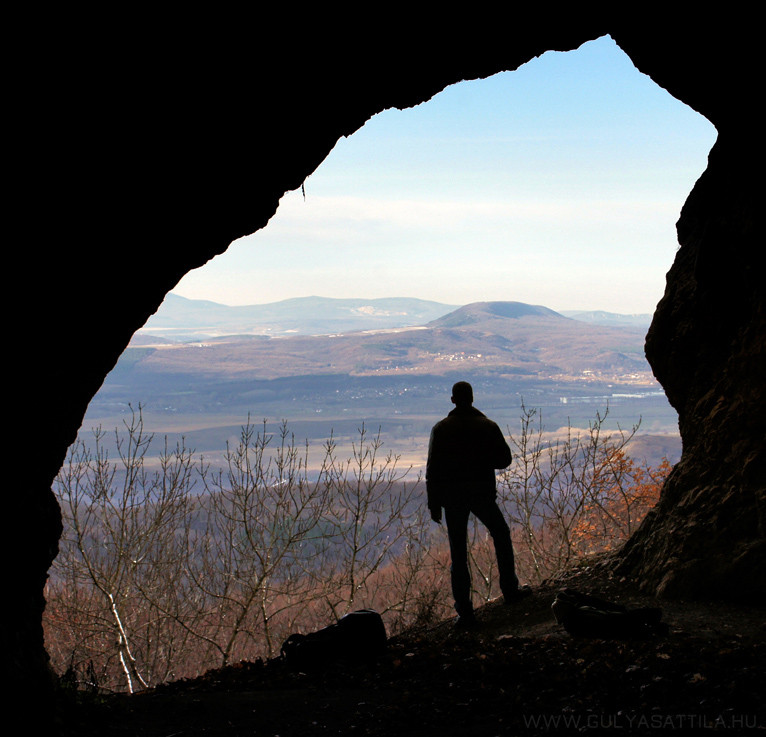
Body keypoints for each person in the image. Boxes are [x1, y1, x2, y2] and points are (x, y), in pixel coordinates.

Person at [426, 381, 529, 626]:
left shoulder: (441, 429)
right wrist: (481, 460)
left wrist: (434, 503)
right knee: (501, 535)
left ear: (453, 400)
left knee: (458, 553)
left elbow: (433, 470)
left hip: (453, 498)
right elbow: (504, 459)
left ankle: (465, 612)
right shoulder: (487, 426)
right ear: (472, 398)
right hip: (482, 493)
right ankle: (510, 590)